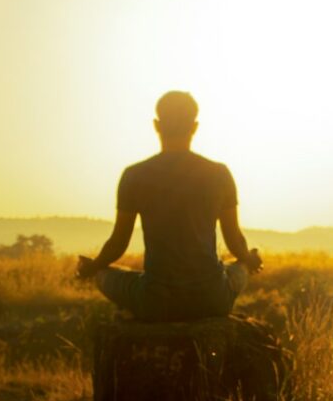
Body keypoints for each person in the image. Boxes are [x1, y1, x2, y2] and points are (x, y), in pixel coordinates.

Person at [76, 90, 262, 321]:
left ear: (157, 125)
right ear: (194, 127)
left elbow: (117, 244)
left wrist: (93, 267)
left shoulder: (135, 175)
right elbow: (235, 240)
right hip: (212, 299)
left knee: (104, 275)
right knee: (239, 267)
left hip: (157, 300)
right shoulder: (219, 174)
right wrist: (249, 259)